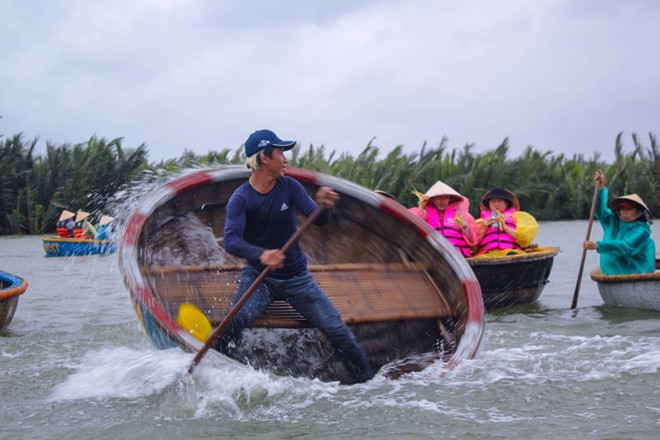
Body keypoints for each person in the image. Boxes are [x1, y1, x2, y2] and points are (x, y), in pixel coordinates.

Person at [214, 129, 374, 384]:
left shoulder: (290, 186)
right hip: (260, 277)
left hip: (297, 278)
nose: (286, 158)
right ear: (265, 158)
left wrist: (324, 206)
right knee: (237, 319)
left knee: (337, 331)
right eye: (280, 152)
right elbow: (232, 240)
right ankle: (217, 369)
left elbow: (318, 220)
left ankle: (366, 384)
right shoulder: (241, 198)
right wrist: (262, 254)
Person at [583, 169, 655, 275]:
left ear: (639, 212)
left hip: (636, 272)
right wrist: (601, 187)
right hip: (611, 272)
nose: (623, 212)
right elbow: (599, 210)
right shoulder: (614, 221)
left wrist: (599, 246)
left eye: (628, 209)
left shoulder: (642, 231)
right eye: (621, 208)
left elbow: (625, 247)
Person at [408, 181, 478, 257]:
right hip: (434, 255)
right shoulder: (425, 214)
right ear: (433, 199)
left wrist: (466, 227)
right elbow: (412, 227)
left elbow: (473, 241)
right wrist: (421, 207)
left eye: (446, 197)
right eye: (439, 197)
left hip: (459, 256)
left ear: (449, 199)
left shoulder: (461, 215)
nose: (442, 201)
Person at [475, 187, 524, 256]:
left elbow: (522, 239)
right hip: (488, 253)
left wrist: (505, 227)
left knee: (512, 254)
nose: (496, 204)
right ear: (489, 204)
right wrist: (484, 227)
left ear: (506, 204)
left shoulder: (515, 218)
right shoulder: (481, 221)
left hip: (510, 251)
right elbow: (475, 244)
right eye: (493, 201)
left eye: (499, 201)